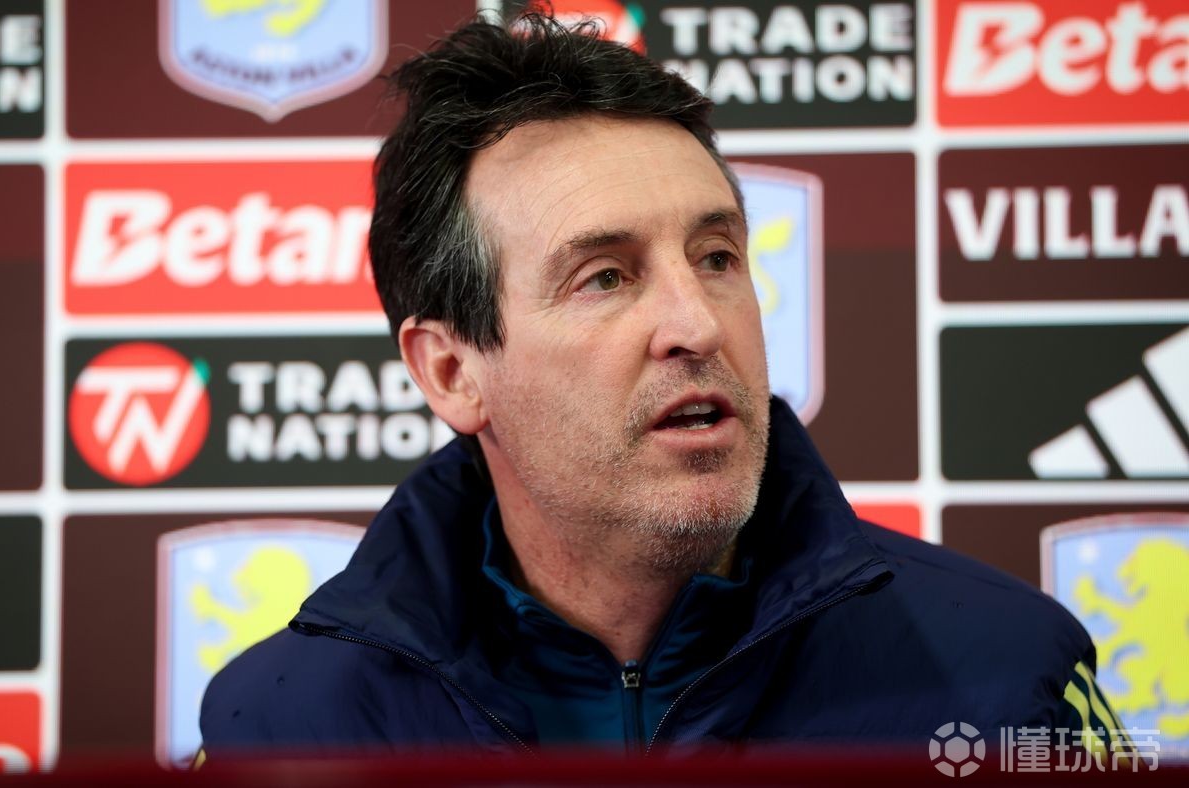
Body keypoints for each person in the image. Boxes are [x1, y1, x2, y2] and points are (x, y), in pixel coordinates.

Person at [200, 14, 1129, 758]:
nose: (698, 325)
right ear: (452, 371)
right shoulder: (283, 729)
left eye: (717, 257)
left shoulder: (1006, 675)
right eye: (605, 276)